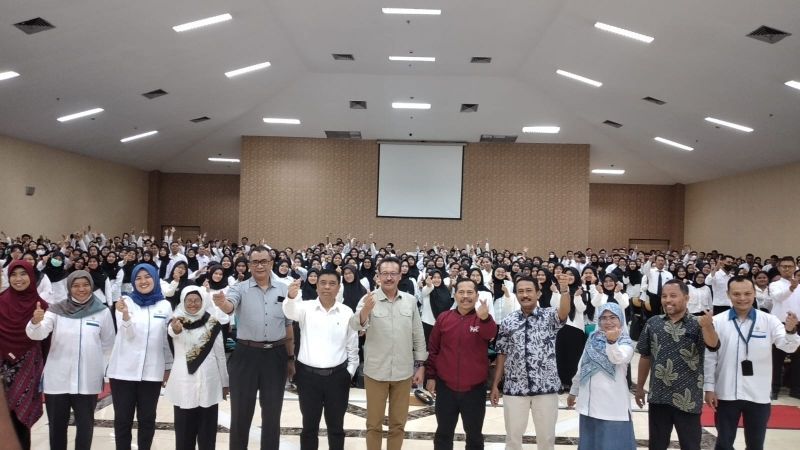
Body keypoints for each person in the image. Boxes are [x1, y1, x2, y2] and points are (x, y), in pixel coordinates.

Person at [211, 246, 294, 450]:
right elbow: (230, 306)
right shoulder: (239, 288)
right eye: (255, 262)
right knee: (241, 413)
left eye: (264, 261)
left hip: (275, 355)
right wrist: (222, 304)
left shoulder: (284, 289)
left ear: (271, 263)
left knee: (272, 414)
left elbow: (288, 325)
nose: (259, 266)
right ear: (249, 265)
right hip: (246, 355)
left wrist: (290, 358)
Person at [703, 276, 800, 450]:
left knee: (756, 444)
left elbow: (789, 347)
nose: (742, 298)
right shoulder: (717, 321)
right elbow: (710, 357)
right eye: (736, 294)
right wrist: (709, 387)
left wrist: (791, 331)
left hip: (758, 394)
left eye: (747, 293)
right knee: (724, 443)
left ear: (754, 293)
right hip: (726, 393)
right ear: (728, 294)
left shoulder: (769, 321)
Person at [25, 270, 115, 450]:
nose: (81, 289)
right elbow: (38, 334)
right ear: (69, 287)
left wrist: (101, 370)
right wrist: (35, 322)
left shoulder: (102, 312)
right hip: (58, 380)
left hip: (87, 381)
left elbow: (108, 344)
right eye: (76, 285)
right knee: (57, 428)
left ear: (91, 286)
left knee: (85, 427)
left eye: (85, 285)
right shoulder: (56, 310)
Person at [349, 256, 427, 450]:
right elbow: (355, 325)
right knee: (373, 424)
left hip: (403, 373)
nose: (389, 277)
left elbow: (418, 334)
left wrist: (420, 365)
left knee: (398, 424)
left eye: (393, 273)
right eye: (385, 273)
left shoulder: (410, 301)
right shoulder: (368, 299)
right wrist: (366, 310)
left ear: (400, 275)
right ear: (378, 276)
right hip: (376, 372)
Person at [635, 279, 720, 450]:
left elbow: (713, 345)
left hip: (688, 399)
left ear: (686, 298)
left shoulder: (698, 323)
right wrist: (639, 387)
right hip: (659, 397)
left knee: (690, 445)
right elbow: (645, 356)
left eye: (673, 296)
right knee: (657, 445)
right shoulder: (653, 323)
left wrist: (708, 327)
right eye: (664, 296)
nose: (668, 300)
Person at [489, 275, 571, 450]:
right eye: (520, 291)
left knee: (546, 438)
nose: (525, 295)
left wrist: (564, 291)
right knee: (513, 438)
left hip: (546, 387)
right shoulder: (508, 321)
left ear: (538, 293)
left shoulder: (549, 316)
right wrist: (495, 384)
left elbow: (564, 312)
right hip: (515, 388)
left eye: (529, 291)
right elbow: (502, 353)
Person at [284, 269, 359, 450]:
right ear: (316, 286)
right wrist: (291, 297)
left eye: (332, 283)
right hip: (308, 377)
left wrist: (349, 372)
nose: (327, 287)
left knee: (336, 428)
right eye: (323, 283)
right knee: (309, 427)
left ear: (338, 288)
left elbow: (352, 346)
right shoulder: (305, 307)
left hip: (337, 377)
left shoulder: (346, 312)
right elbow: (289, 312)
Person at [106, 263, 174, 450]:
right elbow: (127, 334)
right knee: (123, 419)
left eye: (147, 277)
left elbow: (166, 341)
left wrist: (168, 367)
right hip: (123, 372)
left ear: (155, 278)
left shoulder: (165, 306)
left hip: (152, 373)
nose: (143, 281)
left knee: (147, 419)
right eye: (138, 278)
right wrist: (125, 316)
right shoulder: (125, 302)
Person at [425, 278, 497, 450]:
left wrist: (485, 319)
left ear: (477, 296)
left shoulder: (483, 319)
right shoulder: (444, 318)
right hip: (446, 388)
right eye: (461, 292)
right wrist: (431, 376)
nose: (465, 296)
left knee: (474, 435)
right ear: (455, 295)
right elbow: (433, 349)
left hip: (474, 390)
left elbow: (490, 334)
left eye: (470, 292)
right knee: (443, 433)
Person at [166, 286, 230, 450]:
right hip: (184, 385)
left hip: (209, 383)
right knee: (184, 435)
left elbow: (220, 355)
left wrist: (224, 383)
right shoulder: (177, 322)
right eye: (189, 300)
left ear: (203, 301)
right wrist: (175, 330)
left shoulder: (213, 323)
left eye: (196, 300)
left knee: (207, 435)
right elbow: (172, 332)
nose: (193, 304)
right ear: (183, 301)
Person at [567, 302, 636, 450]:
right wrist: (574, 390)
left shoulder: (625, 342)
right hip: (588, 406)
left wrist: (612, 342)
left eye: (613, 317)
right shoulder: (593, 338)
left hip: (612, 407)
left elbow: (618, 358)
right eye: (603, 318)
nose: (608, 321)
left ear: (620, 319)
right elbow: (582, 364)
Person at [0, 260, 48, 449]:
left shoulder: (42, 306)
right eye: (13, 274)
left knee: (21, 417)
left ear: (32, 276)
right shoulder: (1, 301)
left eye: (23, 274)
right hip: (2, 366)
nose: (18, 279)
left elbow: (47, 342)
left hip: (28, 367)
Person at [769, 256, 799, 399]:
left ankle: (796, 389)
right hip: (779, 324)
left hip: (797, 325)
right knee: (777, 358)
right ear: (779, 268)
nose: (787, 269)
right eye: (784, 266)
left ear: (795, 268)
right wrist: (791, 288)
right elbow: (779, 297)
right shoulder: (775, 285)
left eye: (790, 266)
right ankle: (774, 389)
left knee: (797, 359)